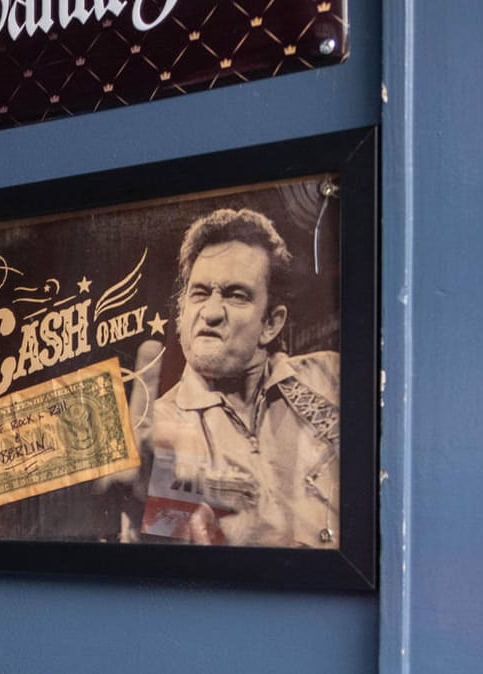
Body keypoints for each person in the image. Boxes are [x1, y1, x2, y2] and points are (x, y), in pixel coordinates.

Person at [141, 207, 340, 546]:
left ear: (271, 323)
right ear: (182, 310)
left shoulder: (330, 376)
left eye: (236, 295)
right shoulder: (157, 432)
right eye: (200, 293)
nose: (212, 313)